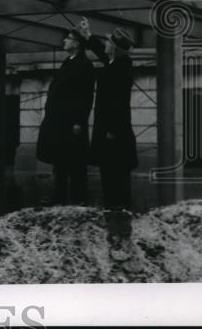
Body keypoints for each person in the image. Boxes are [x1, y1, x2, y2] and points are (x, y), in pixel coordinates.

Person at [80, 18, 138, 215]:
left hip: (115, 133)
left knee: (115, 173)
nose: (105, 44)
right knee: (109, 171)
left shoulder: (122, 67)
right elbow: (99, 51)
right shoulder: (115, 63)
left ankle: (119, 210)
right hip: (109, 131)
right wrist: (88, 34)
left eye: (108, 42)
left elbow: (119, 102)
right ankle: (114, 208)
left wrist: (113, 130)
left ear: (114, 48)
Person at [36, 28, 95, 205]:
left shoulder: (84, 64)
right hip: (59, 122)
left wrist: (78, 121)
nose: (64, 42)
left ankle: (79, 200)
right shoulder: (68, 62)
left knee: (75, 163)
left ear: (77, 43)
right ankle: (59, 198)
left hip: (71, 123)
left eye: (68, 39)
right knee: (60, 161)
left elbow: (85, 96)